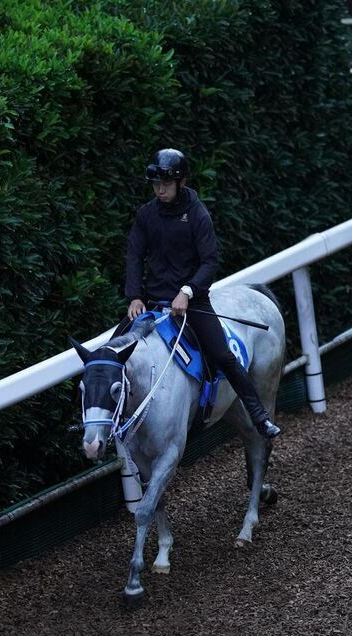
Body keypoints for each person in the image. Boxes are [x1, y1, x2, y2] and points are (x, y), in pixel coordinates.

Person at [114, 147, 280, 439]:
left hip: (193, 302)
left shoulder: (197, 214)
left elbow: (209, 262)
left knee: (223, 355)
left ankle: (259, 415)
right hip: (152, 303)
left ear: (181, 182)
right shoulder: (146, 215)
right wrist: (135, 297)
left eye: (165, 183)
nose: (159, 189)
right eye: (156, 183)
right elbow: (133, 256)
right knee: (111, 354)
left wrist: (187, 292)